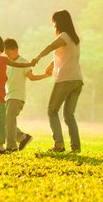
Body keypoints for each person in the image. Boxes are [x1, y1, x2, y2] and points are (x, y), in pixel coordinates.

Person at [32, 10, 83, 153]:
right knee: (69, 115)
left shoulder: (64, 36)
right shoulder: (74, 38)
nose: (53, 25)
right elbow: (65, 55)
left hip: (65, 80)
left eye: (54, 22)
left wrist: (37, 58)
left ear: (59, 22)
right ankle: (76, 147)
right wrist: (52, 64)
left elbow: (50, 47)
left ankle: (59, 144)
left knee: (52, 110)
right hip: (77, 80)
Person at [3, 38, 53, 152]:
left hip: (17, 97)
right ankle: (23, 138)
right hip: (8, 96)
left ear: (16, 50)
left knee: (9, 119)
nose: (8, 56)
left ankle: (11, 146)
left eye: (9, 53)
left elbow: (32, 77)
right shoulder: (8, 64)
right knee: (5, 121)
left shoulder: (24, 62)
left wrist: (45, 75)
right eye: (6, 54)